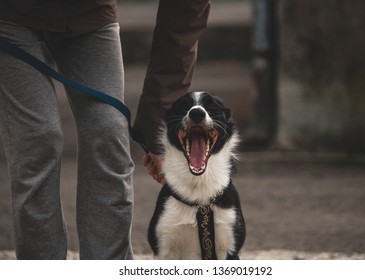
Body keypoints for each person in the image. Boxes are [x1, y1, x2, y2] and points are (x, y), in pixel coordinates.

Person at [0, 0, 210, 260]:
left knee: (108, 130)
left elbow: (185, 13)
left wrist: (158, 126)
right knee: (38, 138)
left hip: (89, 15)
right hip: (9, 17)